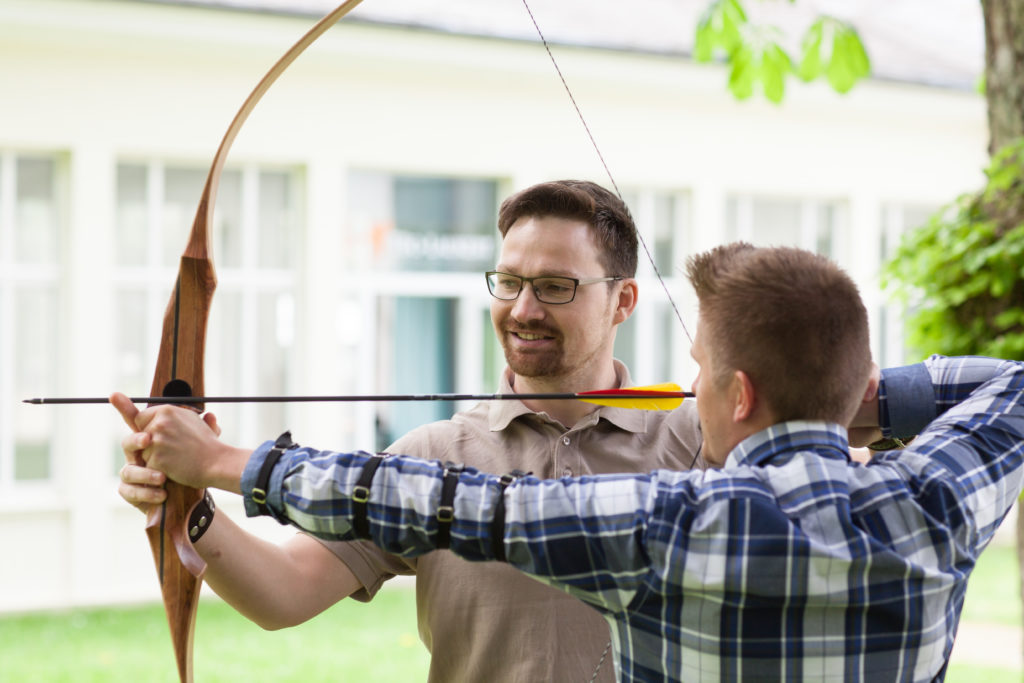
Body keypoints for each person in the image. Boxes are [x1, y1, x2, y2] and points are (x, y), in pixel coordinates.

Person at [124, 243, 1024, 682]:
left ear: (737, 393)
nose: (524, 304)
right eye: (507, 281)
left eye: (703, 372)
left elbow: (436, 505)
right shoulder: (935, 501)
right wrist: (855, 396)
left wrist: (226, 457)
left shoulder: (661, 518)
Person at [117, 179, 704, 681]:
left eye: (555, 286)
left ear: (623, 300)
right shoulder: (436, 454)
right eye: (509, 281)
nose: (523, 309)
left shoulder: (698, 443)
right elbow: (285, 591)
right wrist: (190, 504)